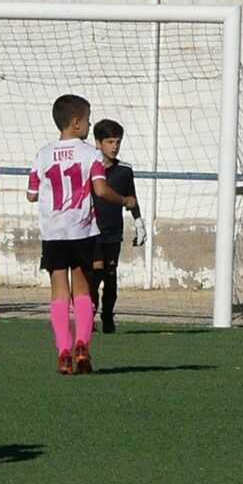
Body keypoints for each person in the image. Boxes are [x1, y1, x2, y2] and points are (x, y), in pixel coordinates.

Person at [27, 94, 126, 374]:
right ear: (77, 122)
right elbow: (100, 190)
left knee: (59, 291)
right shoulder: (91, 154)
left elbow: (31, 195)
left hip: (53, 231)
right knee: (82, 288)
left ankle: (63, 353)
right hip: (81, 229)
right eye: (88, 120)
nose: (90, 124)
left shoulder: (43, 154)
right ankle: (82, 344)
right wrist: (123, 200)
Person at [89, 118, 142, 335]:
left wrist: (139, 223)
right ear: (98, 143)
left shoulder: (124, 171)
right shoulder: (89, 169)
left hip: (113, 232)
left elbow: (132, 198)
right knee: (95, 274)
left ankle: (108, 316)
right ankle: (89, 317)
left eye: (118, 142)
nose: (115, 146)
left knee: (110, 276)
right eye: (110, 142)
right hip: (91, 231)